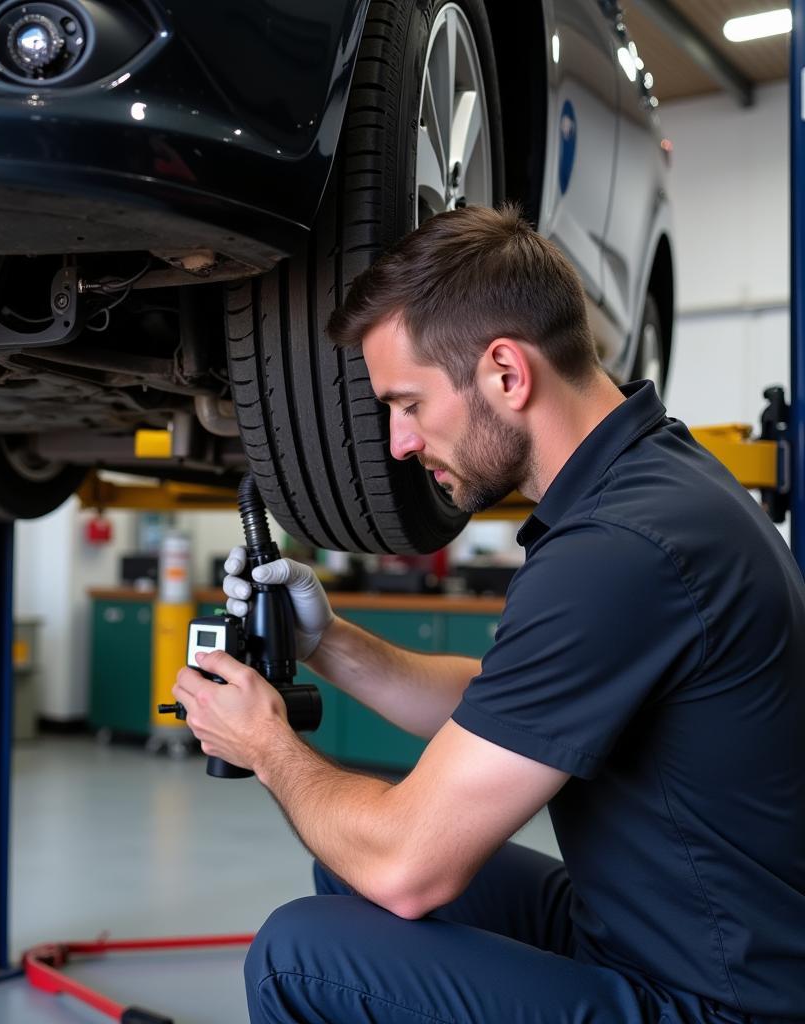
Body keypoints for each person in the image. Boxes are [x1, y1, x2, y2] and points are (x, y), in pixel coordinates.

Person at [172, 205, 805, 1024]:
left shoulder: (619, 549)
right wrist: (326, 641)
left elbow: (408, 864)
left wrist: (267, 747)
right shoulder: (652, 484)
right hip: (664, 936)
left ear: (506, 372)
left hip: (718, 1001)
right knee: (346, 872)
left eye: (408, 404)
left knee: (306, 951)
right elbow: (502, 700)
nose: (399, 442)